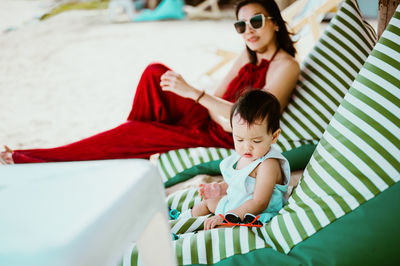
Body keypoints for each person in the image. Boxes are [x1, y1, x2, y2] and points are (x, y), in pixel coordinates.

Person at [1, 0, 299, 164]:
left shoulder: (284, 65)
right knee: (155, 72)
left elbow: (248, 121)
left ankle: (23, 158)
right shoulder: (248, 56)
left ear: (274, 21)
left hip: (221, 135)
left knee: (134, 130)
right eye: (241, 25)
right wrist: (198, 99)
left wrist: (195, 95)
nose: (249, 30)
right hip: (208, 118)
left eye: (256, 21)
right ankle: (139, 138)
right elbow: (218, 98)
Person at [179, 90, 290, 230]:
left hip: (253, 214)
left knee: (218, 227)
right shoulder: (243, 156)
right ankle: (182, 221)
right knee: (207, 203)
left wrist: (226, 216)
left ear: (274, 136)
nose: (246, 147)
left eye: (256, 141)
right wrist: (220, 187)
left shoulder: (268, 164)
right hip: (234, 204)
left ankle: (194, 234)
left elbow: (259, 202)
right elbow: (239, 181)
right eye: (239, 139)